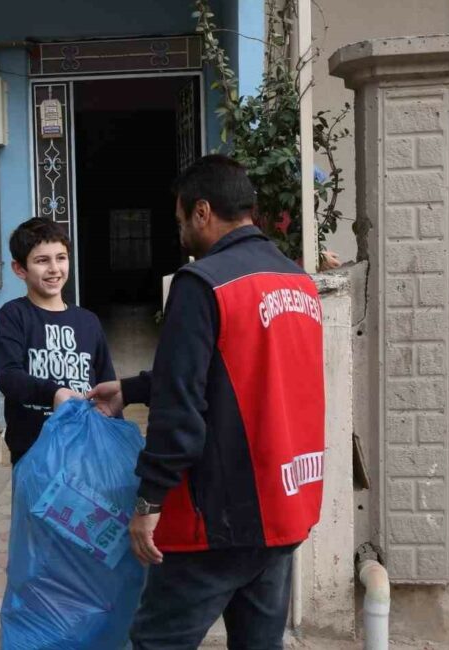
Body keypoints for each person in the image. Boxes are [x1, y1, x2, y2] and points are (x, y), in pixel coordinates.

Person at [88, 155, 326, 649]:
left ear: (202, 212)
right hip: (286, 506)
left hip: (221, 515)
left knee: (157, 642)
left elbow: (181, 410)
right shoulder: (297, 281)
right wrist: (132, 389)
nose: (181, 234)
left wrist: (149, 501)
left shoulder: (202, 283)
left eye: (180, 221)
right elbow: (236, 372)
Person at [0, 217, 116, 465]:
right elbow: (9, 377)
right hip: (33, 454)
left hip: (85, 452)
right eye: (42, 260)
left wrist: (113, 438)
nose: (54, 268)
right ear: (20, 269)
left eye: (61, 258)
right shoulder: (14, 315)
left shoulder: (88, 321)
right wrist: (54, 393)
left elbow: (107, 386)